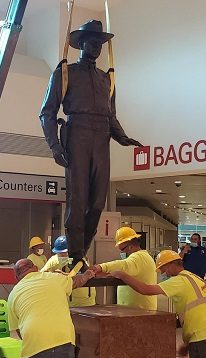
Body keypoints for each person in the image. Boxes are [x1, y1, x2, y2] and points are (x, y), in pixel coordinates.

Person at [40, 19, 142, 266]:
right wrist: (55, 145)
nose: (96, 47)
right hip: (77, 133)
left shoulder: (106, 79)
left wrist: (121, 136)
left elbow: (111, 115)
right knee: (78, 199)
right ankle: (76, 253)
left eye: (99, 43)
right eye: (92, 42)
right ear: (81, 44)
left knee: (97, 202)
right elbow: (47, 113)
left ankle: (82, 250)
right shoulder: (65, 73)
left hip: (101, 137)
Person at [89, 226, 157, 310]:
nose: (122, 252)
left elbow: (123, 265)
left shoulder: (139, 258)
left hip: (141, 311)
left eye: (122, 249)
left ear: (130, 246)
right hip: (137, 310)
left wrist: (100, 267)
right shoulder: (141, 258)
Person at [42, 235, 95, 307]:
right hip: (68, 302)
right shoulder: (53, 261)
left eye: (64, 253)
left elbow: (81, 274)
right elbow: (42, 275)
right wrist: (54, 275)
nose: (61, 255)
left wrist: (62, 275)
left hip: (87, 300)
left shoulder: (80, 259)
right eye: (59, 253)